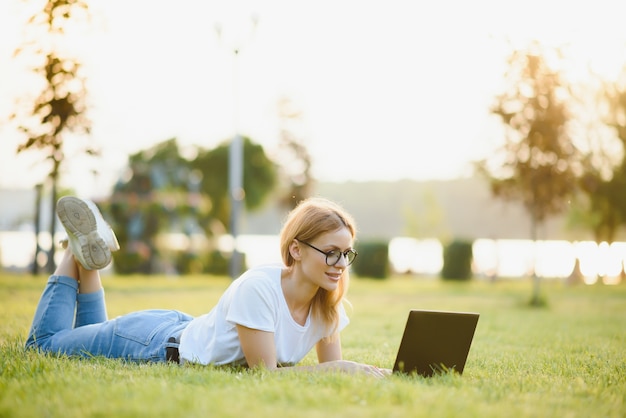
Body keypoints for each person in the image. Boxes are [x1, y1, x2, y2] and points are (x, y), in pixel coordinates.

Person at [26, 195, 389, 378]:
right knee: (43, 347)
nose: (340, 265)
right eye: (330, 253)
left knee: (85, 335)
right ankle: (76, 250)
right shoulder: (259, 288)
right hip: (152, 342)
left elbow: (334, 373)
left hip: (181, 327)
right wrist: (340, 370)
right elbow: (267, 376)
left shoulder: (328, 303)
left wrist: (379, 375)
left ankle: (86, 248)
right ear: (296, 248)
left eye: (346, 254)